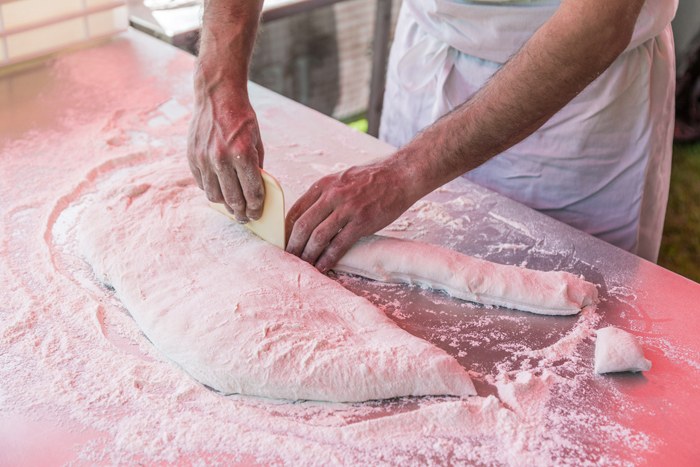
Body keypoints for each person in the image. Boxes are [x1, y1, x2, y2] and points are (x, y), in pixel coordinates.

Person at [187, 0, 678, 274]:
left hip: (576, 100)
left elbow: (600, 17)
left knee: (564, 322)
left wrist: (405, 171)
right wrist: (218, 77)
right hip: (431, 49)